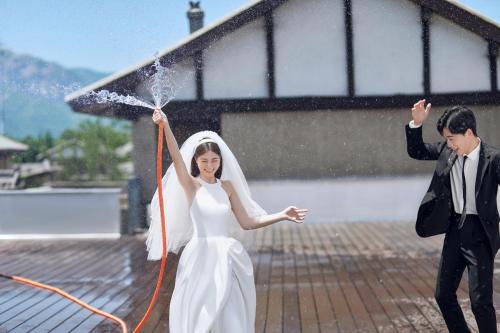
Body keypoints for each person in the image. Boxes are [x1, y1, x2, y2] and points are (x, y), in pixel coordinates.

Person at [147, 108, 308, 333]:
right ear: (196, 160)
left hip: (226, 256)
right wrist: (165, 125)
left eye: (214, 160)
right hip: (200, 256)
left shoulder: (227, 187)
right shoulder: (192, 185)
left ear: (220, 161)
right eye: (204, 161)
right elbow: (176, 158)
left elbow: (248, 222)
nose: (210, 165)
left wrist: (282, 214)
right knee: (200, 313)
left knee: (229, 311)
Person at [406, 100, 500, 332]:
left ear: (468, 133)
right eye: (446, 139)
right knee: (443, 295)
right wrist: (416, 124)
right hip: (455, 229)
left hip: (480, 233)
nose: (449, 144)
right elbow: (416, 151)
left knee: (480, 303)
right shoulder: (447, 152)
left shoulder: (493, 159)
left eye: (451, 138)